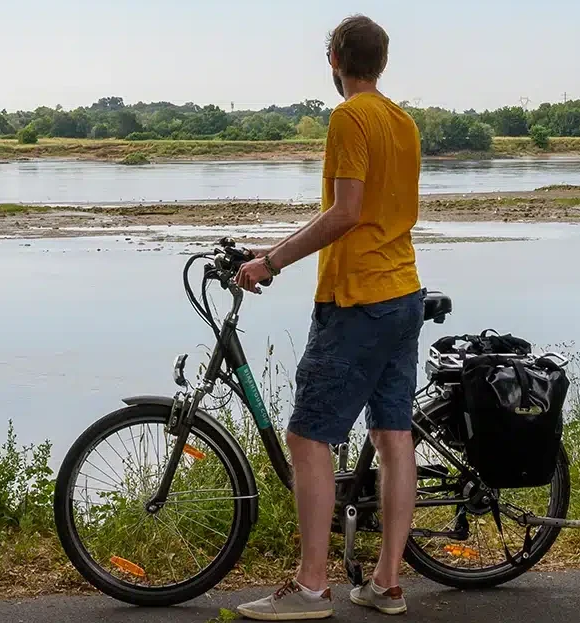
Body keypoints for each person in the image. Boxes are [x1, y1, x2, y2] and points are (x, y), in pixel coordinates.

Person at [231, 14, 424, 621]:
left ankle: (311, 588)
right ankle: (387, 584)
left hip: (358, 298)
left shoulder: (349, 117)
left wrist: (271, 261)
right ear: (382, 63)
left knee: (309, 437)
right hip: (403, 292)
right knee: (393, 435)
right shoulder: (403, 121)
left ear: (335, 59)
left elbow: (346, 212)